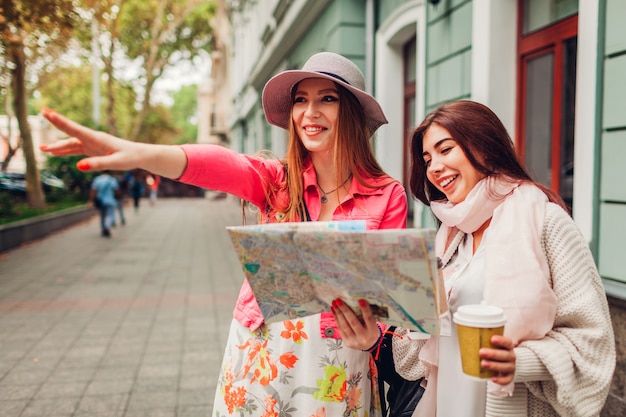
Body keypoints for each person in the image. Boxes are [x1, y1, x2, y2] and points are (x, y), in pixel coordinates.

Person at [40, 52, 409, 417]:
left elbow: (388, 306)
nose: (309, 112)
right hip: (262, 353)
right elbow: (217, 164)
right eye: (301, 100)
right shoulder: (276, 180)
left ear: (353, 113)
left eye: (327, 98)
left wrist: (373, 337)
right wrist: (139, 153)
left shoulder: (386, 195)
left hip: (338, 365)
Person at [331, 100, 616, 416]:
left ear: (483, 146)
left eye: (445, 149)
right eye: (427, 159)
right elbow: (418, 356)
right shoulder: (449, 238)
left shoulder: (546, 222)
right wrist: (381, 331)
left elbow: (593, 342)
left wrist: (520, 362)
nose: (434, 167)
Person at [90, 170, 120, 237]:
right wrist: (119, 197)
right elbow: (116, 190)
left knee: (102, 216)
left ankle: (103, 229)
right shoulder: (112, 180)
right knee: (110, 215)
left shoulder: (97, 179)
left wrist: (90, 200)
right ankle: (107, 227)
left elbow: (93, 191)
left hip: (101, 200)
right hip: (110, 200)